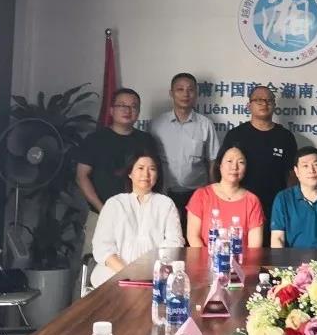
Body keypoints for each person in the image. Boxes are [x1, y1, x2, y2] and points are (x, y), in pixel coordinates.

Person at [75, 88, 159, 258]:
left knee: (137, 263)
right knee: (94, 262)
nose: (128, 110)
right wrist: (103, 209)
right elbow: (81, 176)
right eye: (122, 105)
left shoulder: (146, 140)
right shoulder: (95, 139)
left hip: (139, 216)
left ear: (138, 112)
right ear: (111, 110)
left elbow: (154, 175)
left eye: (133, 106)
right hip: (100, 213)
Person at [89, 153, 184, 287]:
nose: (146, 174)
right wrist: (128, 273)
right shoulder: (114, 203)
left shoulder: (166, 204)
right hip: (113, 273)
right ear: (130, 173)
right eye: (140, 168)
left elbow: (175, 241)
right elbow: (102, 246)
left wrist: (151, 271)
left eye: (152, 169)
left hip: (153, 274)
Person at [221, 85, 297, 243]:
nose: (264, 103)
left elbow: (292, 175)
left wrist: (287, 203)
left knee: (273, 249)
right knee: (240, 248)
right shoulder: (236, 135)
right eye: (259, 100)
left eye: (269, 100)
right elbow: (222, 169)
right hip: (240, 204)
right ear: (249, 105)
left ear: (274, 105)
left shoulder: (285, 137)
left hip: (275, 206)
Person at [149, 73, 220, 235]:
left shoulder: (205, 124)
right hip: (164, 194)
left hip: (197, 195)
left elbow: (212, 161)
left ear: (197, 93)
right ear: (171, 93)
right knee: (167, 237)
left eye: (190, 90)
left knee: (195, 238)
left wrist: (213, 193)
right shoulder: (157, 124)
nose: (185, 94)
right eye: (180, 89)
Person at [186, 142, 264, 249]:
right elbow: (193, 236)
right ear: (220, 165)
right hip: (205, 258)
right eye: (229, 161)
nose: (234, 167)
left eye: (241, 162)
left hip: (242, 259)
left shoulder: (252, 201)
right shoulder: (201, 195)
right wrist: (209, 258)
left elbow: (254, 247)